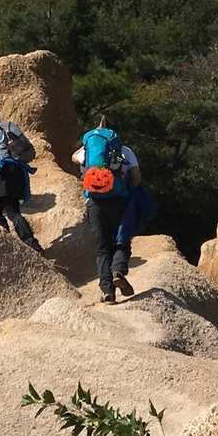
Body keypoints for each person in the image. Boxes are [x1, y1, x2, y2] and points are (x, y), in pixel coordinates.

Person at [73, 118, 141, 303]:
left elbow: (74, 157)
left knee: (102, 248)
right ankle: (118, 270)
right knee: (122, 240)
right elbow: (136, 178)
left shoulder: (87, 151)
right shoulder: (126, 151)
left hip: (94, 203)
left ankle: (107, 292)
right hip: (119, 202)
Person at [0, 102, 41, 252]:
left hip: (4, 173)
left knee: (2, 211)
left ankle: (18, 245)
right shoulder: (6, 126)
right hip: (17, 171)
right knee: (6, 209)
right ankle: (30, 245)